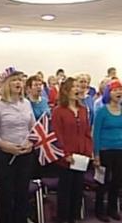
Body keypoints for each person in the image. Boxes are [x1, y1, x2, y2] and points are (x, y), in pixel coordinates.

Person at [0, 69, 35, 223]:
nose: (18, 83)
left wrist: (31, 143)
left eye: (20, 80)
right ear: (6, 84)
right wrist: (6, 146)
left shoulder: (26, 103)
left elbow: (33, 128)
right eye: (14, 80)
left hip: (25, 155)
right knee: (7, 195)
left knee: (22, 193)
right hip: (6, 156)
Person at [52, 77, 93, 223]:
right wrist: (65, 154)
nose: (78, 89)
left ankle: (75, 217)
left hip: (82, 156)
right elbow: (57, 134)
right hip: (67, 157)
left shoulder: (83, 110)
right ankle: (64, 217)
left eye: (78, 87)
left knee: (78, 188)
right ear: (66, 90)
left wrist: (88, 151)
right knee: (66, 189)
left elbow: (87, 132)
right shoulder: (58, 111)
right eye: (74, 87)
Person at [93, 80, 122, 222]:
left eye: (120, 90)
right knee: (104, 182)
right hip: (105, 150)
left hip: (120, 150)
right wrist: (96, 154)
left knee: (117, 181)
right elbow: (96, 134)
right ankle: (99, 210)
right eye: (115, 90)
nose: (118, 92)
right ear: (108, 93)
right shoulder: (102, 111)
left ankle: (112, 209)